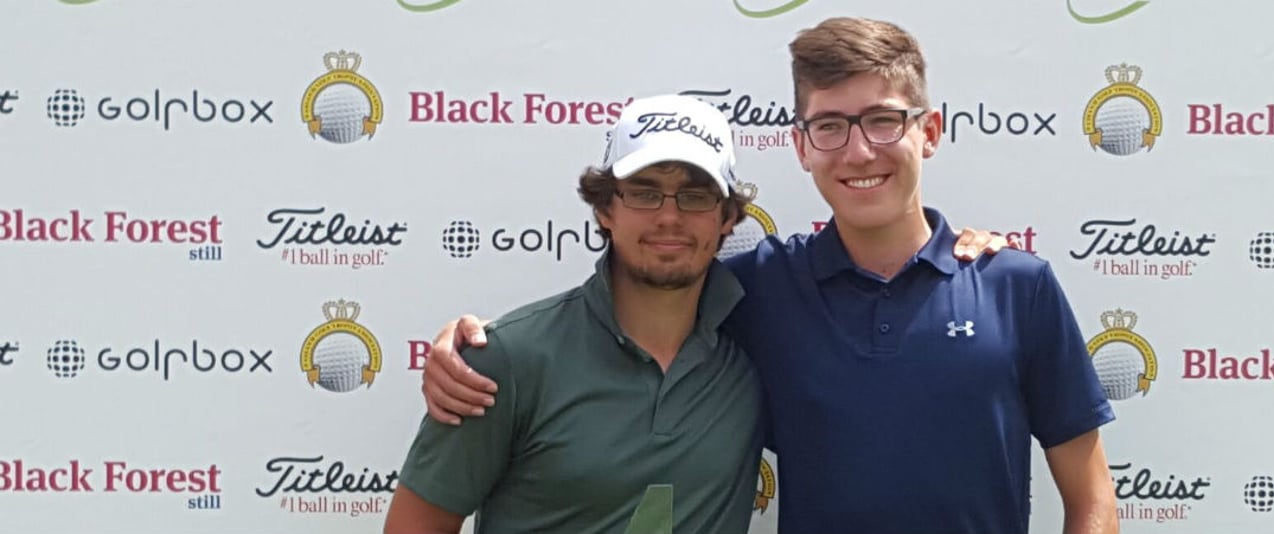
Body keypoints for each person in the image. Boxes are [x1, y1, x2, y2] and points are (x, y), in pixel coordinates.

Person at [417, 16, 1118, 534]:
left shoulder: (1015, 285)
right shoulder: (756, 290)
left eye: (882, 121)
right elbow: (625, 305)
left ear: (928, 133)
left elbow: (1090, 497)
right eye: (831, 126)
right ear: (801, 146)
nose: (858, 149)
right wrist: (464, 343)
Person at [384, 94, 769, 534]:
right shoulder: (504, 360)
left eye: (695, 196)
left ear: (727, 217)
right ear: (606, 209)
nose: (669, 217)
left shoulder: (757, 349)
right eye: (644, 193)